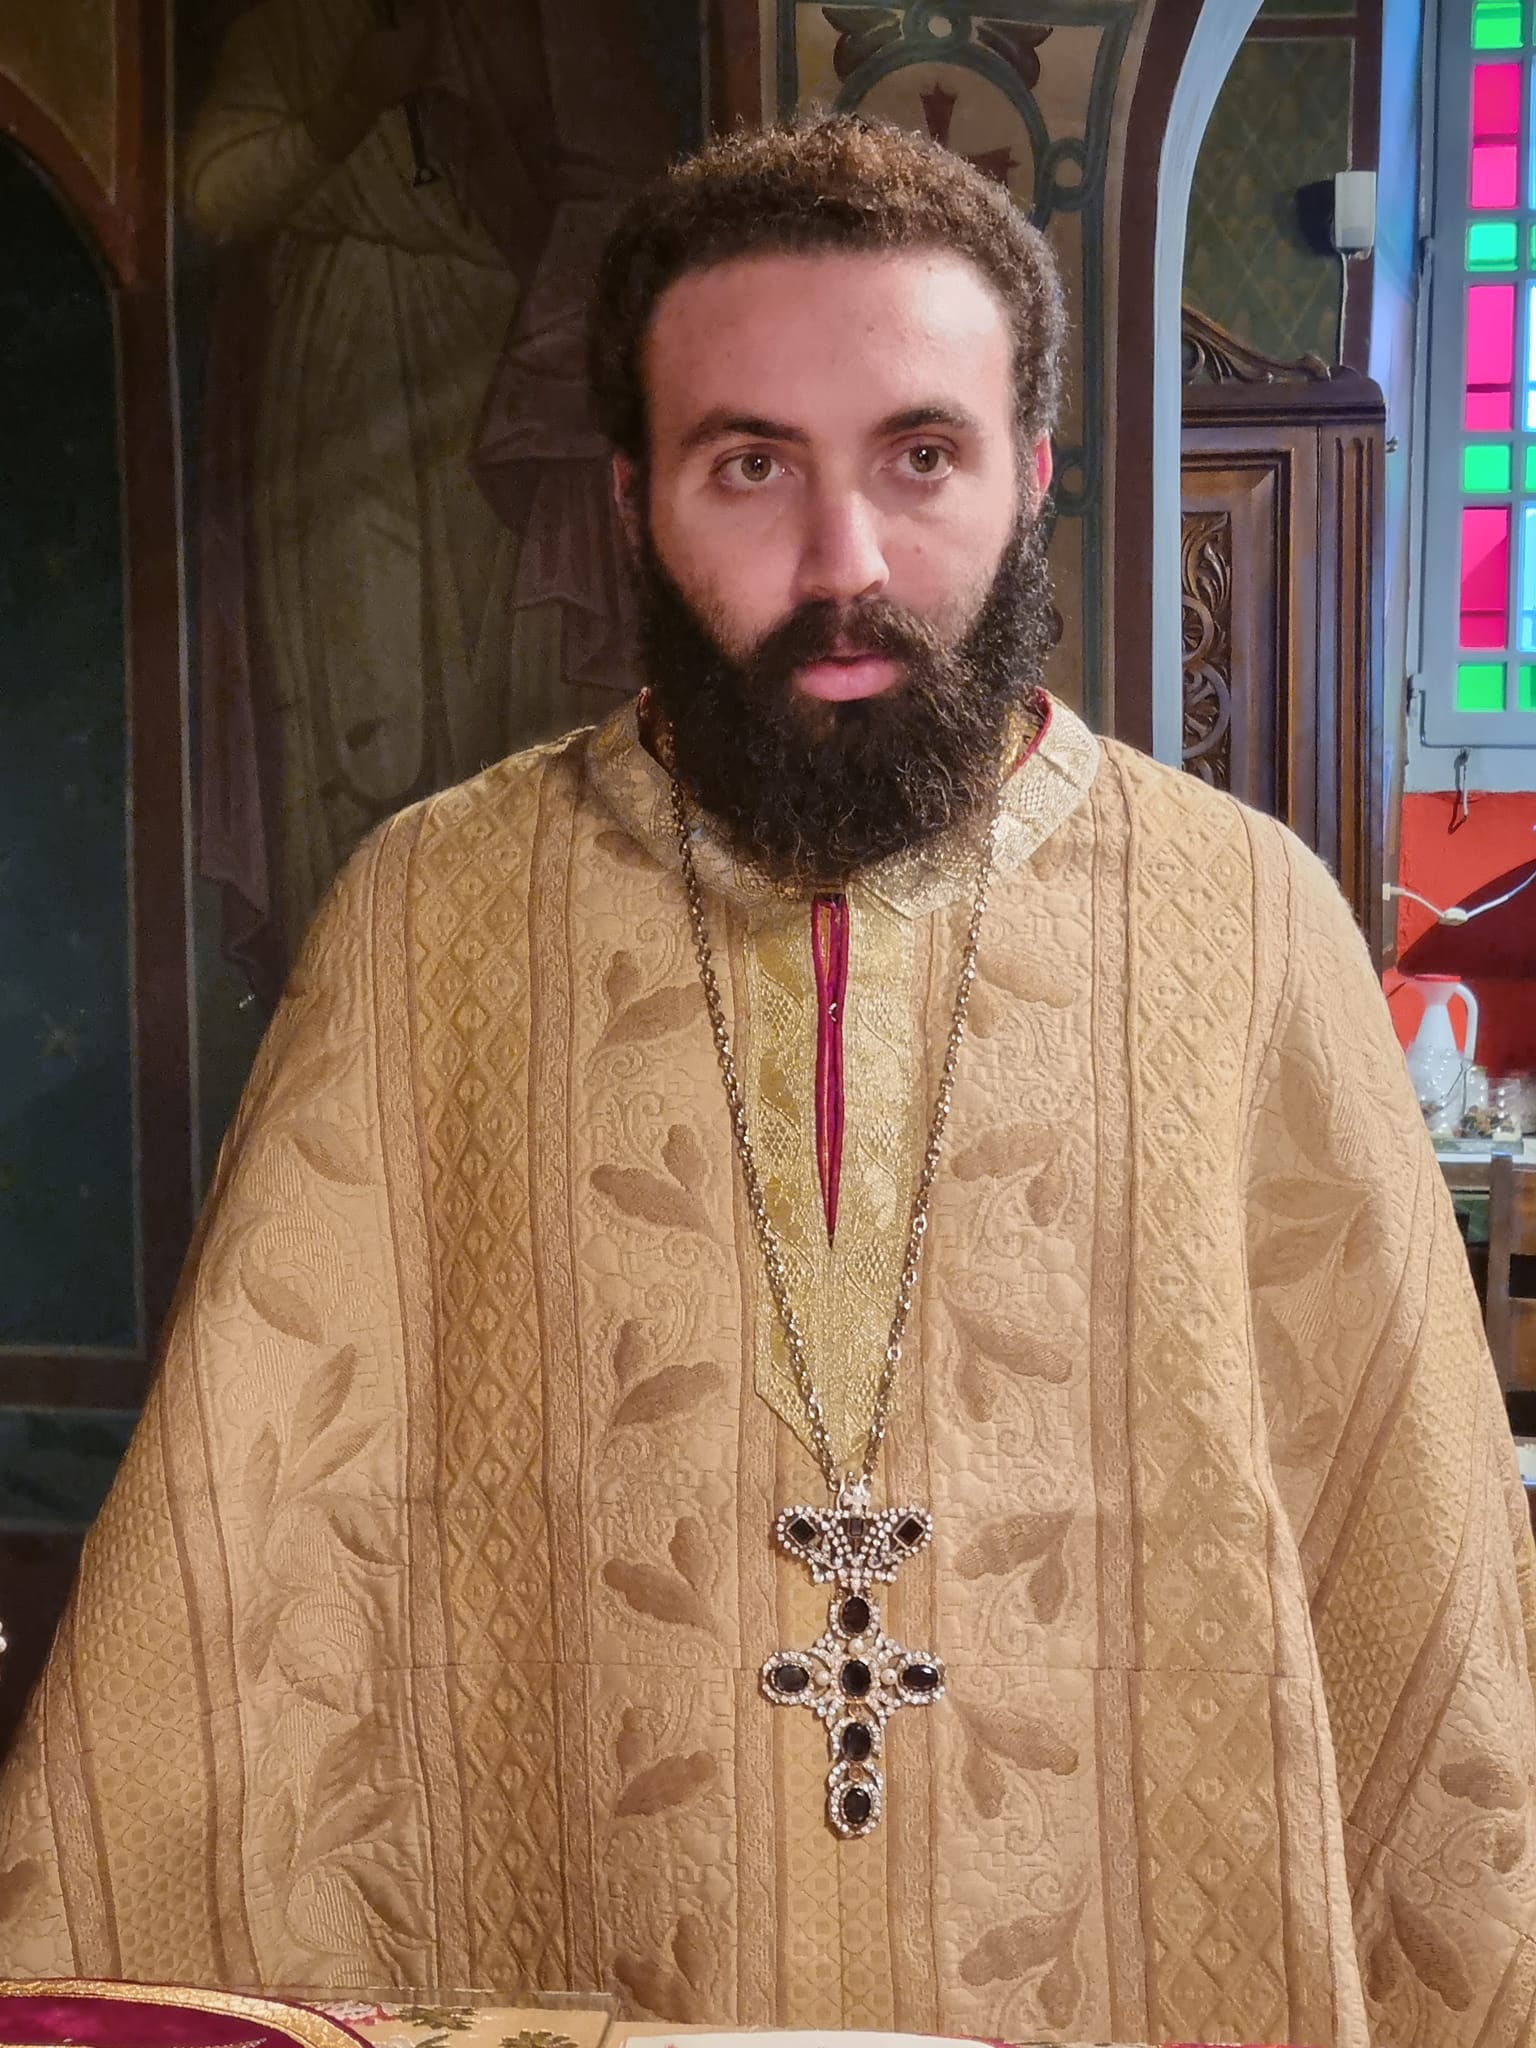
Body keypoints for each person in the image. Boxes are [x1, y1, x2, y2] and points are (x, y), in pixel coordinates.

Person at [2, 118, 1533, 2048]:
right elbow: (252, 1549)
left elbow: (1407, 1556)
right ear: (629, 498)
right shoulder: (430, 916)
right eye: (750, 465)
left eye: (923, 455)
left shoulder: (1249, 919)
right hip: (577, 1926)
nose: (845, 563)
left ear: (1033, 472)